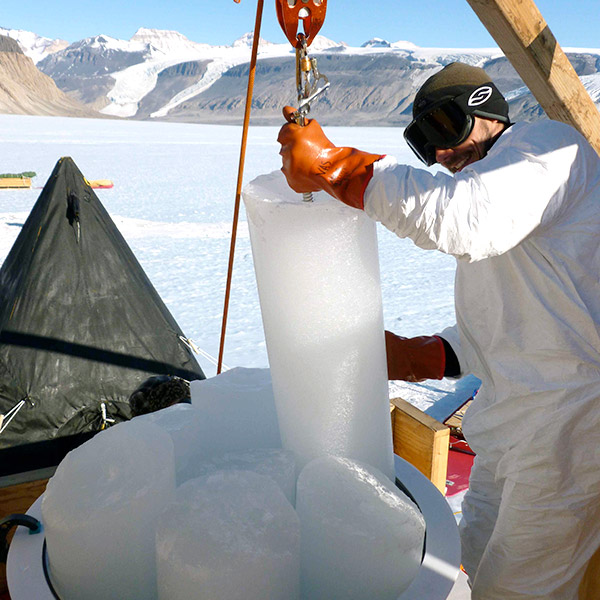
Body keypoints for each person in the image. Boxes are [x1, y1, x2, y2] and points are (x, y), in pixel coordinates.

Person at [277, 61, 600, 599]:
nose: (442, 155)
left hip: (570, 426)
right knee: (469, 558)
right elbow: (505, 328)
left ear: (485, 109)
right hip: (513, 421)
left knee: (519, 590)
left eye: (445, 129)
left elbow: (463, 219)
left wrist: (339, 168)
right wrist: (417, 356)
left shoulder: (546, 149)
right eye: (423, 144)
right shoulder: (503, 198)